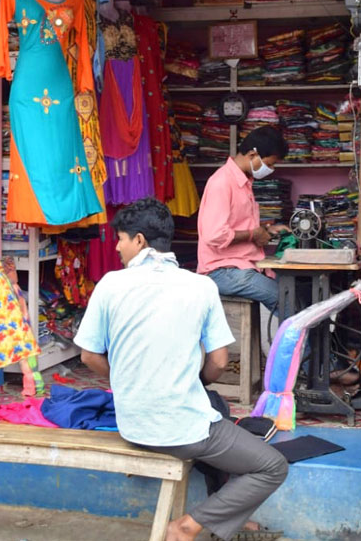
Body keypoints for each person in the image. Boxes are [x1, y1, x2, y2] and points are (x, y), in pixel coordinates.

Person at [74, 198, 288, 541]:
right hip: (182, 431)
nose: (117, 247)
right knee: (271, 465)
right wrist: (195, 381)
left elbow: (88, 356)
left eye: (122, 238)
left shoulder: (109, 285)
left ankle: (223, 521)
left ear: (140, 241)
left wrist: (130, 378)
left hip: (133, 423)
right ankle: (188, 526)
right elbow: (218, 362)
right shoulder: (201, 286)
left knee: (214, 412)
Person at [197, 126, 290, 314]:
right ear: (252, 154)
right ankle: (299, 345)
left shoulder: (244, 183)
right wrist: (253, 234)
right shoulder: (222, 182)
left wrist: (266, 229)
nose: (270, 170)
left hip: (240, 266)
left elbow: (236, 223)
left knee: (295, 290)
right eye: (269, 164)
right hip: (221, 271)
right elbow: (214, 235)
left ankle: (298, 344)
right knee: (285, 300)